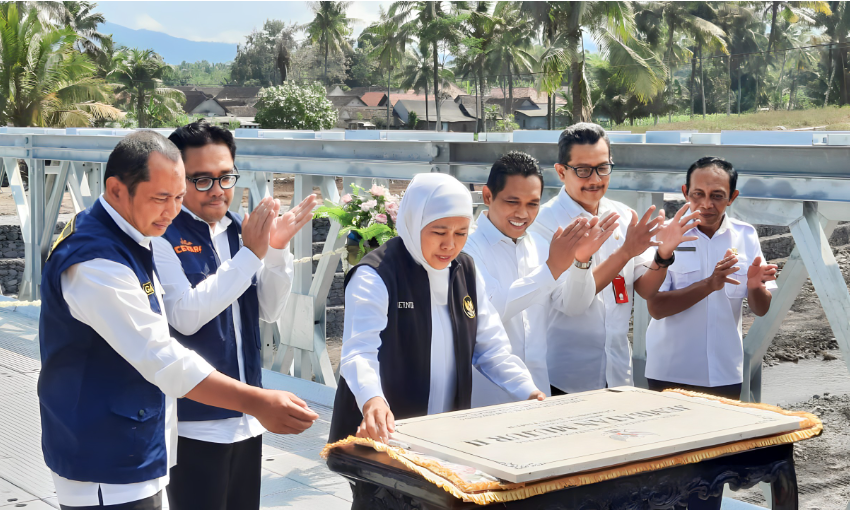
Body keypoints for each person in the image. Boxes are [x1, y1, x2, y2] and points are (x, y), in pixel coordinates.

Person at [38, 131, 319, 510]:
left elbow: (265, 311)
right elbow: (165, 354)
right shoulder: (97, 261)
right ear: (117, 190)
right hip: (108, 455)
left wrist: (272, 252)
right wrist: (258, 401)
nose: (171, 212)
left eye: (177, 199)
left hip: (142, 438)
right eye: (161, 198)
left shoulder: (135, 234)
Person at [329, 173, 545, 504]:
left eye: (461, 233)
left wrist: (528, 392)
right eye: (439, 232)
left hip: (442, 436)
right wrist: (372, 398)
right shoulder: (377, 274)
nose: (450, 245)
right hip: (384, 432)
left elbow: (491, 350)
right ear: (415, 224)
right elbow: (359, 352)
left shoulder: (466, 270)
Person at [147, 121, 317, 510]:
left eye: (225, 178)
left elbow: (270, 311)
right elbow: (185, 316)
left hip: (248, 418)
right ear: (177, 178)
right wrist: (252, 255)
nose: (218, 191)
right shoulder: (161, 236)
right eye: (202, 180)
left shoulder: (243, 230)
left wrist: (275, 250)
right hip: (194, 422)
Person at [529, 123, 699, 395]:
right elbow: (570, 304)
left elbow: (644, 288)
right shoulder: (545, 225)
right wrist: (625, 253)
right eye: (583, 170)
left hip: (618, 371)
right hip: (566, 376)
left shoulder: (622, 216)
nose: (595, 179)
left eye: (603, 167)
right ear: (561, 171)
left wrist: (664, 254)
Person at [464, 151, 619, 406]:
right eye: (512, 202)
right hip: (485, 396)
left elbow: (572, 306)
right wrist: (550, 269)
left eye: (532, 204)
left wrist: (581, 262)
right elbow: (493, 309)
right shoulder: (467, 249)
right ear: (488, 196)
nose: (523, 214)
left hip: (538, 392)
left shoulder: (540, 244)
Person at [644, 157, 778, 400]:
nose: (706, 204)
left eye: (717, 195)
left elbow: (761, 308)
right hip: (671, 371)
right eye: (698, 194)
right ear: (685, 192)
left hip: (725, 374)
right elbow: (656, 307)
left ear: (732, 197)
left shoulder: (746, 236)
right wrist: (709, 284)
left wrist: (755, 286)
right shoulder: (666, 236)